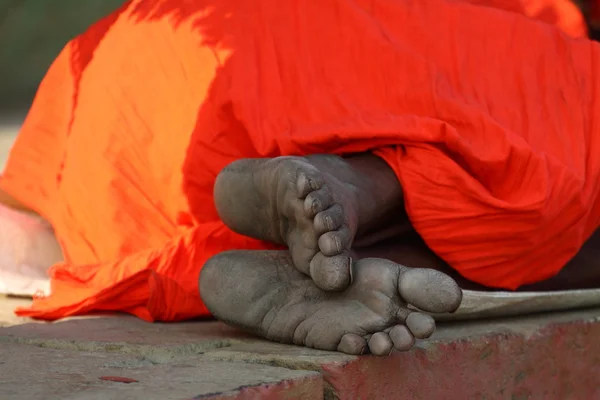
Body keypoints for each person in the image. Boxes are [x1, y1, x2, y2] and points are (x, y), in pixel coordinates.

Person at [1, 0, 599, 356]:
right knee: (561, 144)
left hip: (128, 119)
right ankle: (362, 191)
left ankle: (346, 237)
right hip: (228, 111)